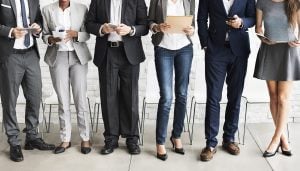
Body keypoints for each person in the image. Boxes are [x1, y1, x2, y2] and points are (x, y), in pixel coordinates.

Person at [85, 0, 148, 155]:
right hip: (107, 53)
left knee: (131, 97)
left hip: (130, 54)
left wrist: (131, 30)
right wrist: (101, 28)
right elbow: (89, 23)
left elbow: (145, 26)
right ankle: (111, 139)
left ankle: (132, 138)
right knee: (108, 96)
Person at [197, 0, 255, 161]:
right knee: (213, 97)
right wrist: (205, 43)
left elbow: (253, 17)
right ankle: (210, 143)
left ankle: (229, 138)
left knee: (235, 96)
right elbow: (201, 18)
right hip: (215, 50)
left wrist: (242, 22)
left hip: (239, 50)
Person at [0, 0, 55, 162]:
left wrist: (37, 27)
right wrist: (10, 31)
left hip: (31, 54)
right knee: (10, 99)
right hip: (10, 55)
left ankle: (32, 136)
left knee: (35, 96)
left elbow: (37, 19)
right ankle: (14, 142)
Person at [42, 0, 92, 154]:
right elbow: (44, 35)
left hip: (78, 58)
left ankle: (85, 138)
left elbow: (87, 34)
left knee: (80, 99)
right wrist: (51, 39)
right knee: (63, 99)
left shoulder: (82, 8)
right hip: (58, 57)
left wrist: (76, 34)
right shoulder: (47, 9)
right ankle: (65, 139)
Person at [148, 0, 195, 161]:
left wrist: (192, 30)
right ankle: (160, 141)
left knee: (182, 94)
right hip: (163, 49)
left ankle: (176, 136)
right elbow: (150, 22)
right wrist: (157, 27)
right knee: (167, 97)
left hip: (184, 49)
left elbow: (192, 24)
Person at [255, 0, 300, 157]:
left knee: (283, 98)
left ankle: (275, 140)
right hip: (269, 49)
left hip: (288, 51)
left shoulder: (294, 2)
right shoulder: (262, 2)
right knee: (273, 97)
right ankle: (284, 139)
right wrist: (262, 38)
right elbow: (258, 27)